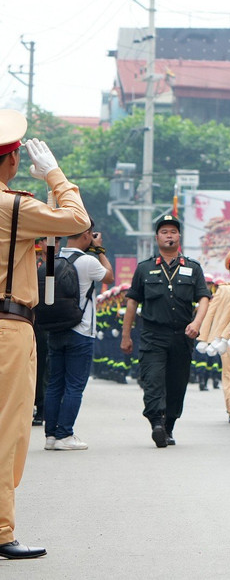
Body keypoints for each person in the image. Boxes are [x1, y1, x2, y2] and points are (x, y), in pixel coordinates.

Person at [0, 122, 91, 561]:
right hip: (7, 328)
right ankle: (0, 530)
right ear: (13, 161)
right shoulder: (11, 207)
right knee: (7, 432)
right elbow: (77, 222)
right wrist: (56, 176)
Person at [120, 214, 214, 448]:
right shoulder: (144, 269)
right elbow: (132, 303)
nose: (169, 235)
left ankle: (169, 425)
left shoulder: (193, 268)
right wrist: (126, 336)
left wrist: (197, 323)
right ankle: (156, 423)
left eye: (173, 232)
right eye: (164, 232)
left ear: (179, 236)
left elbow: (204, 298)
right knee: (152, 380)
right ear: (157, 237)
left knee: (176, 383)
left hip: (182, 336)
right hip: (153, 335)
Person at [43, 227, 113, 450]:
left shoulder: (54, 258)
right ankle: (65, 434)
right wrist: (99, 249)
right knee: (74, 385)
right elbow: (109, 276)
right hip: (80, 331)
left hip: (55, 328)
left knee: (55, 384)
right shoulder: (88, 262)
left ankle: (51, 436)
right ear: (86, 235)